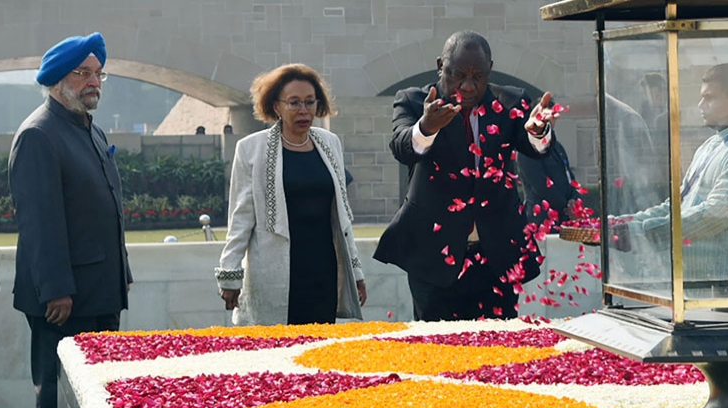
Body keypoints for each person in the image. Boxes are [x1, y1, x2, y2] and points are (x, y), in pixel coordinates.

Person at [374, 30, 560, 321]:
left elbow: (537, 149)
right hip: (433, 257)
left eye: (478, 77)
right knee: (436, 352)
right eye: (458, 75)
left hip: (497, 255)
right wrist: (426, 127)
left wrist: (539, 132)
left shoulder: (511, 102)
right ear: (440, 65)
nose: (468, 87)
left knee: (498, 353)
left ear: (490, 70)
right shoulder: (413, 101)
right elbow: (402, 147)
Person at [9, 32, 133, 408]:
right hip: (62, 296)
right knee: (52, 394)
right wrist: (56, 288)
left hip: (102, 290)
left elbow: (109, 211)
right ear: (59, 80)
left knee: (102, 392)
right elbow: (39, 221)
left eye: (98, 74)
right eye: (84, 74)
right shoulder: (39, 135)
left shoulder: (90, 130)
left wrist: (124, 275)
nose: (94, 82)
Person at [215, 63, 366, 326]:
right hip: (275, 272)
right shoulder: (251, 149)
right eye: (294, 102)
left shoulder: (330, 143)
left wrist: (356, 272)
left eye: (309, 102)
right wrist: (230, 273)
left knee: (319, 353)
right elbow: (240, 218)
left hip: (323, 268)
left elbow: (341, 217)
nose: (303, 110)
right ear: (276, 106)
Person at [611, 63, 728, 281]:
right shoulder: (710, 146)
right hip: (697, 285)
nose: (700, 105)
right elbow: (678, 204)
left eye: (709, 98)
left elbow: (715, 214)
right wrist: (624, 223)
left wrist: (641, 232)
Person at [516, 137, 580, 229]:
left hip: (565, 222)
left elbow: (570, 178)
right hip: (542, 222)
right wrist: (566, 206)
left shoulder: (557, 146)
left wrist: (574, 201)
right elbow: (541, 186)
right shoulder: (527, 150)